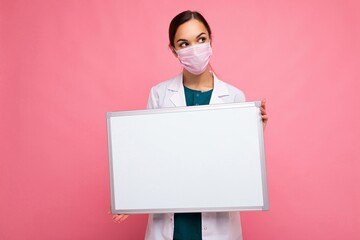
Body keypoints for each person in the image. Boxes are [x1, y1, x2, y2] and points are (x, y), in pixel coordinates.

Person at [112, 10, 268, 240]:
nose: (194, 49)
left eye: (201, 39)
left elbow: (238, 164)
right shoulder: (160, 94)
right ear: (173, 50)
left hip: (218, 224)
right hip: (171, 223)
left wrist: (254, 134)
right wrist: (128, 197)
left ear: (211, 40)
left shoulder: (234, 97)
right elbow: (148, 156)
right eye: (184, 43)